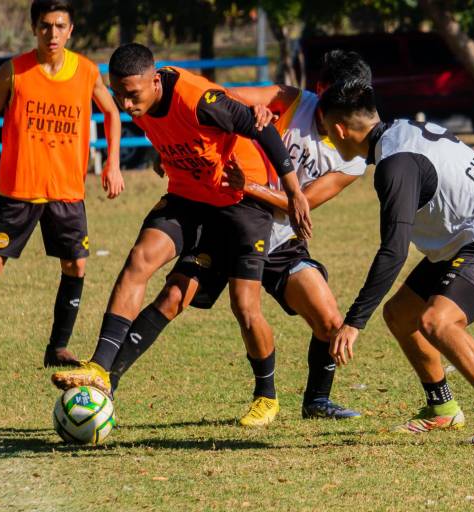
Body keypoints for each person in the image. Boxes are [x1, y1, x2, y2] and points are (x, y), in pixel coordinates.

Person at [50, 43, 311, 427]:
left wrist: (292, 191)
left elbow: (262, 126)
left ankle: (267, 397)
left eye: (132, 94)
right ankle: (101, 370)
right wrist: (166, 154)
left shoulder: (197, 99)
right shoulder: (141, 101)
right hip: (189, 197)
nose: (125, 104)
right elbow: (177, 134)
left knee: (244, 305)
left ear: (155, 81)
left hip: (240, 203)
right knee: (145, 264)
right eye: (118, 94)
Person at [105, 50, 373, 422]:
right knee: (172, 297)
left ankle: (315, 401)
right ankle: (105, 382)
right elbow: (221, 99)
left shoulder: (353, 160)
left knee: (329, 323)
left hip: (278, 236)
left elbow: (301, 204)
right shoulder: (294, 100)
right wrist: (178, 144)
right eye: (335, 95)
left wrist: (249, 185)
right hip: (227, 213)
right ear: (322, 89)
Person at [324, 80, 474, 445]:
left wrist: (354, 321)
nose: (330, 140)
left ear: (341, 130)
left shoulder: (395, 166)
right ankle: (442, 408)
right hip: (464, 239)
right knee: (400, 314)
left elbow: (393, 251)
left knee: (438, 321)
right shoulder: (400, 129)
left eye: (328, 133)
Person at [0, 0, 124, 375]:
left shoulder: (86, 72)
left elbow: (112, 111)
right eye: (44, 26)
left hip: (66, 191)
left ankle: (58, 347)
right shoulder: (14, 71)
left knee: (76, 265)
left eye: (59, 26)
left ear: (70, 30)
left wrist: (113, 163)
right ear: (33, 28)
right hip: (19, 189)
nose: (51, 34)